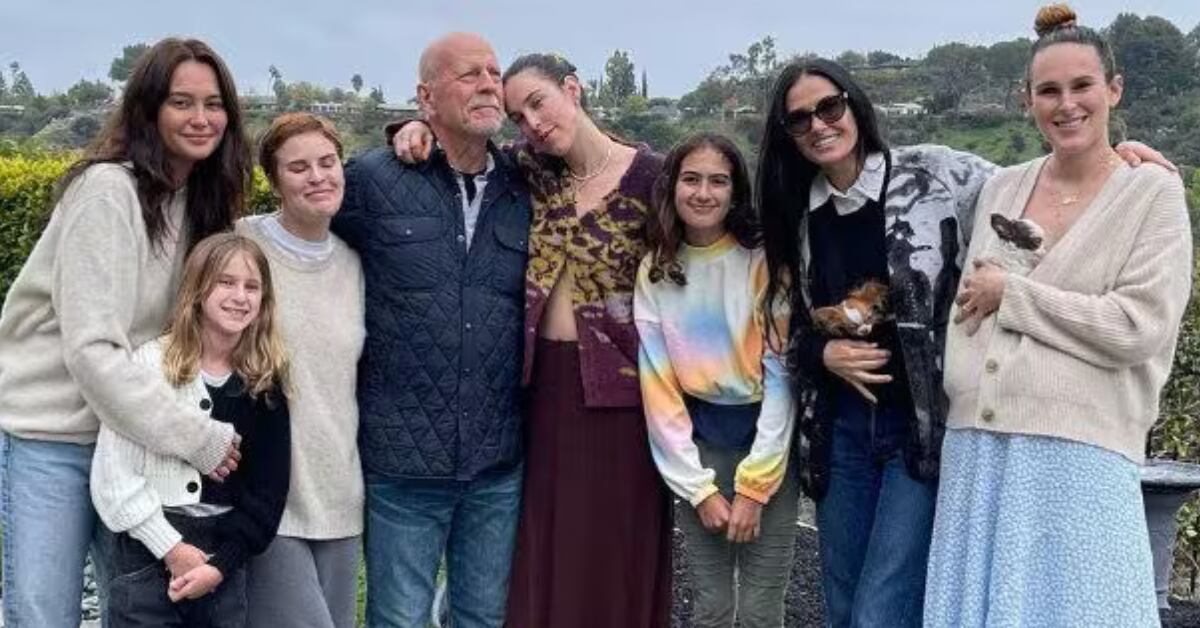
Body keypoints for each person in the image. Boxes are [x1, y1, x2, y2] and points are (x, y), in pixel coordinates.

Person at [755, 56, 1169, 627]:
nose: (819, 125)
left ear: (853, 104)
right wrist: (821, 354)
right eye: (800, 119)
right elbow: (788, 328)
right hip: (840, 433)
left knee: (882, 610)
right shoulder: (795, 211)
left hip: (919, 428)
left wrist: (1117, 160)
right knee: (844, 606)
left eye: (829, 107)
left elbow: (1047, 189)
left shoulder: (934, 175)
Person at [925, 5, 1192, 627]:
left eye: (1082, 86)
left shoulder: (1152, 192)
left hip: (1081, 456)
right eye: (1048, 90)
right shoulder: (1003, 187)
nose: (1066, 104)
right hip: (976, 452)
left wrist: (1015, 297)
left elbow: (1137, 326)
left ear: (1113, 89)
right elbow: (970, 304)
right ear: (1027, 101)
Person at [391, 51, 673, 628]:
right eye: (518, 116)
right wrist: (414, 126)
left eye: (538, 103)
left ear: (573, 89)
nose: (533, 124)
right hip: (539, 392)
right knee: (539, 547)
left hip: (625, 396)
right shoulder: (529, 170)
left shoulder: (656, 179)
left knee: (614, 549)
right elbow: (462, 145)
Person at [0, 37, 247, 628]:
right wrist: (195, 437)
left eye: (213, 104)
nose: (201, 118)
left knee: (135, 613)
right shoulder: (108, 192)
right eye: (181, 102)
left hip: (133, 444)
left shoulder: (203, 204)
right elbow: (93, 352)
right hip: (55, 439)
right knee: (44, 614)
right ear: (148, 109)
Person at [331, 33, 531, 628]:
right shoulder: (373, 179)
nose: (489, 84)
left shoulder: (525, 185)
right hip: (402, 464)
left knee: (483, 619)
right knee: (399, 620)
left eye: (494, 73)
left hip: (496, 463)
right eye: (469, 75)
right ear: (425, 96)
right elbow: (301, 227)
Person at [634, 133, 797, 628]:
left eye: (718, 181)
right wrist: (697, 488)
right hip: (700, 445)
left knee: (762, 608)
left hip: (768, 446)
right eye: (692, 179)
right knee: (710, 604)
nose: (703, 193)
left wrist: (756, 486)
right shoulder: (657, 269)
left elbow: (782, 379)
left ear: (735, 191)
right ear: (673, 187)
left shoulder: (763, 262)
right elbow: (659, 387)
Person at [91, 233, 290, 627]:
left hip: (222, 561)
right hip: (146, 552)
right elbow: (114, 476)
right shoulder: (149, 365)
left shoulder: (262, 382)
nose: (240, 296)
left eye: (252, 287)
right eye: (226, 282)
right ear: (198, 289)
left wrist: (220, 566)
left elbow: (268, 494)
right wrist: (172, 549)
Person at [237, 113, 364, 628]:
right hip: (268, 496)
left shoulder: (354, 264)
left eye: (327, 162)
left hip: (340, 494)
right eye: (298, 168)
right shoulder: (243, 245)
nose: (317, 176)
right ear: (274, 181)